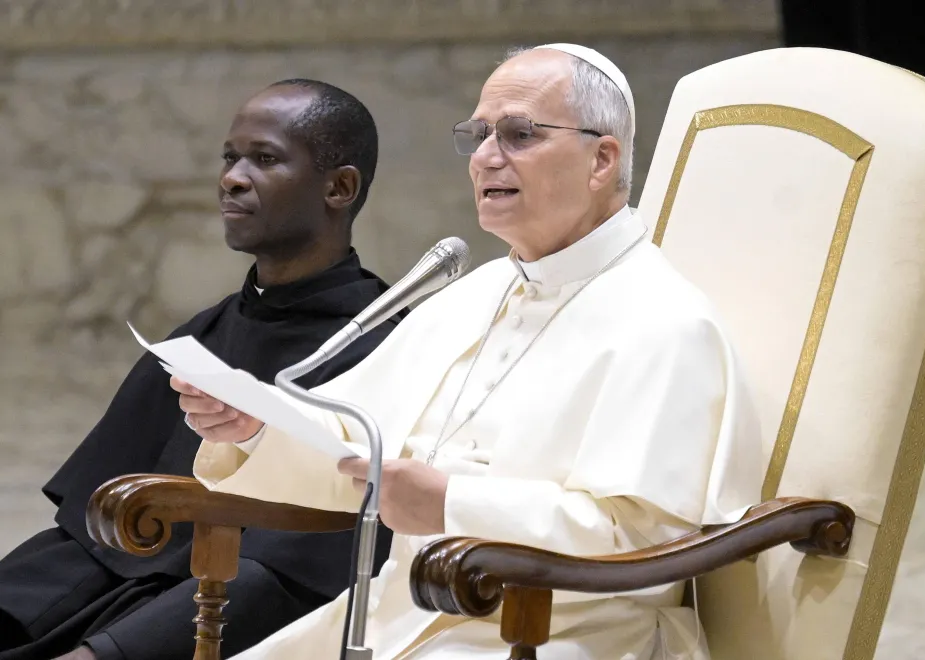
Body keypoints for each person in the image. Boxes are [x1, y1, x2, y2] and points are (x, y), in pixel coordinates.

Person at [179, 45, 762, 659]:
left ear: (601, 159)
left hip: (557, 636)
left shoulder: (666, 322)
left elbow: (645, 538)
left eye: (518, 134)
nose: (485, 157)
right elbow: (358, 437)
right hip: (399, 612)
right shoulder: (480, 290)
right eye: (478, 135)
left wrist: (452, 505)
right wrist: (255, 428)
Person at [0, 79, 397, 660]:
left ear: (339, 187)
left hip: (239, 613)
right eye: (230, 157)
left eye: (263, 159)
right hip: (122, 592)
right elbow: (92, 533)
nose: (232, 178)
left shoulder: (393, 345)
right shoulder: (201, 337)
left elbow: (301, 570)